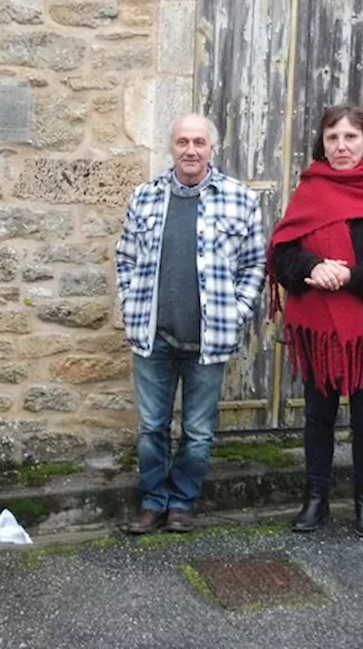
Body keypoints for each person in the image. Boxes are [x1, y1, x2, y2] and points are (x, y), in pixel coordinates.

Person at [267, 105, 363, 540]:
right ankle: (315, 499)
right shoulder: (310, 190)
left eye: (350, 137)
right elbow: (282, 253)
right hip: (319, 329)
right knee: (318, 415)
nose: (341, 146)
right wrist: (313, 267)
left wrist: (351, 276)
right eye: (332, 138)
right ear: (323, 143)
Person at [115, 114, 267, 534]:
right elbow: (125, 256)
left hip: (209, 340)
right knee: (151, 428)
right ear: (172, 147)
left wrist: (237, 310)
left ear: (211, 148)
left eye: (199, 142)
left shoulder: (239, 199)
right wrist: (131, 303)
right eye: (183, 141)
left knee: (198, 431)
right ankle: (152, 502)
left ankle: (181, 503)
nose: (191, 150)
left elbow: (255, 264)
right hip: (153, 336)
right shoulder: (145, 197)